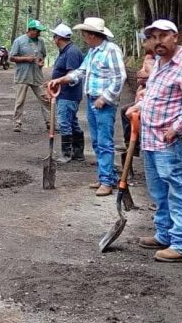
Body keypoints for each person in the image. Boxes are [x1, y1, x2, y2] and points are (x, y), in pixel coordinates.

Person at [131, 19, 182, 263]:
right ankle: (164, 233)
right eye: (153, 36)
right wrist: (138, 106)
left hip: (167, 140)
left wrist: (177, 128)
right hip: (149, 139)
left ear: (176, 36)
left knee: (178, 189)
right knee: (158, 190)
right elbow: (154, 97)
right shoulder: (160, 64)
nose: (158, 41)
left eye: (163, 35)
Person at [47, 17, 125, 196]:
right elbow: (80, 72)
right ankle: (106, 176)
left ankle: (106, 181)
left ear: (92, 35)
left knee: (105, 141)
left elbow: (119, 77)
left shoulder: (111, 50)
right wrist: (61, 80)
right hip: (92, 100)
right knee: (97, 141)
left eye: (84, 34)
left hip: (103, 102)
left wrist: (105, 98)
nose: (82, 37)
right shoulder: (93, 52)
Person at [48, 24, 83, 163]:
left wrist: (57, 82)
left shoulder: (71, 52)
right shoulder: (65, 51)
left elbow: (71, 75)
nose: (53, 39)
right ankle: (78, 153)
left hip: (69, 95)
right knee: (72, 122)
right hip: (64, 94)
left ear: (59, 38)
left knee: (64, 123)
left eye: (54, 36)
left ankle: (66, 154)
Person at [10, 19, 49, 133]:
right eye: (37, 31)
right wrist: (26, 59)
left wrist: (41, 62)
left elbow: (43, 56)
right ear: (30, 30)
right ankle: (17, 123)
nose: (39, 33)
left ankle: (50, 123)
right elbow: (12, 57)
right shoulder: (19, 41)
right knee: (20, 100)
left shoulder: (41, 42)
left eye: (39, 31)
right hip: (22, 75)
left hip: (37, 75)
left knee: (45, 98)